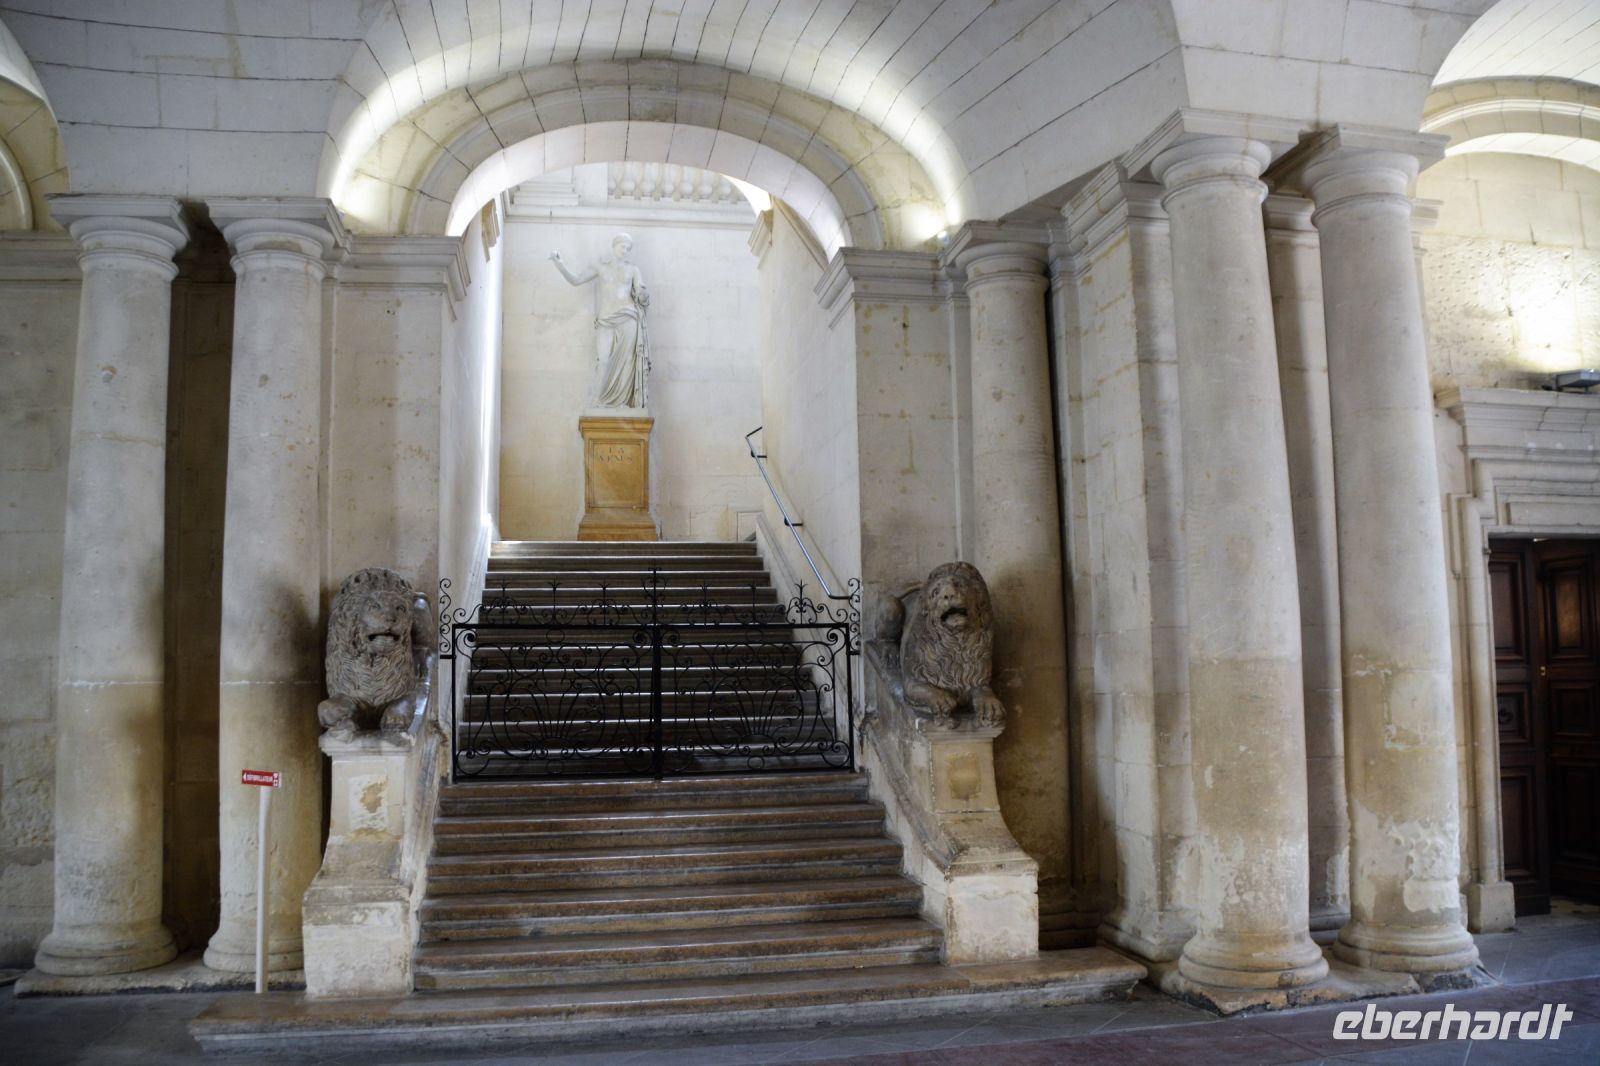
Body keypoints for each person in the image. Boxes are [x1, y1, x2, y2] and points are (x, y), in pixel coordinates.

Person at [549, 233, 651, 408]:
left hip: (628, 317)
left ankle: (624, 403)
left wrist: (643, 295)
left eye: (628, 248)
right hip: (605, 319)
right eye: (622, 246)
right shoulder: (600, 267)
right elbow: (576, 280)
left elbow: (640, 291)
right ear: (614, 246)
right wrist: (560, 265)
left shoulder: (633, 270)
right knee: (603, 359)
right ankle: (599, 400)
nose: (625, 251)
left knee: (627, 360)